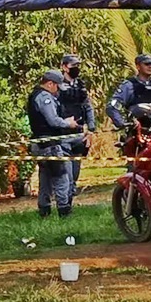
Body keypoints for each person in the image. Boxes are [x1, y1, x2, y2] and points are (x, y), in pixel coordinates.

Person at [27, 71, 80, 218]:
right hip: (49, 145)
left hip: (40, 144)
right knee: (61, 177)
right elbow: (53, 120)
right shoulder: (44, 97)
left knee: (45, 178)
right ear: (50, 84)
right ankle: (64, 212)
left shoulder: (34, 95)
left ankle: (44, 211)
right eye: (57, 87)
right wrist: (68, 123)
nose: (58, 91)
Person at [58, 54, 95, 204]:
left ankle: (69, 202)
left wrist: (91, 128)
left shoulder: (80, 86)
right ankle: (64, 207)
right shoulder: (57, 85)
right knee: (66, 174)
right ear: (64, 67)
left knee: (75, 173)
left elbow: (87, 107)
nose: (76, 69)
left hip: (79, 134)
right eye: (73, 66)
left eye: (77, 66)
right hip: (62, 135)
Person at [106, 53, 151, 129]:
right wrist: (121, 122)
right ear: (138, 66)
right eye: (146, 64)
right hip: (136, 129)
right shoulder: (129, 85)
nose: (150, 66)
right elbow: (112, 106)